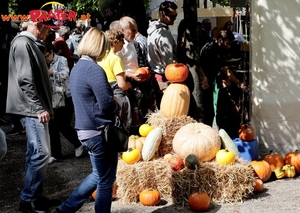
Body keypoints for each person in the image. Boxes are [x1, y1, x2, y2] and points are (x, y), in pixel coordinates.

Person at [53, 27, 121, 213]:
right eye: (105, 47)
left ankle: (66, 209)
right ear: (99, 46)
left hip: (85, 130)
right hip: (99, 132)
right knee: (106, 180)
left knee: (98, 174)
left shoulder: (77, 68)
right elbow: (107, 104)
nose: (106, 51)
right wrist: (118, 105)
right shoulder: (93, 69)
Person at [6, 21, 55, 213]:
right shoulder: (23, 43)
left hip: (32, 108)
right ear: (38, 25)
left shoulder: (28, 43)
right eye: (47, 28)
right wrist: (38, 107)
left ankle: (35, 198)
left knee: (34, 154)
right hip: (31, 109)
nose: (49, 31)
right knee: (41, 153)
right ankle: (27, 200)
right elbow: (25, 80)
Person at [43, 42, 84, 164]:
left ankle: (77, 143)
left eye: (47, 56)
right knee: (52, 126)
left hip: (65, 96)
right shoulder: (42, 62)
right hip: (51, 98)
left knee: (62, 124)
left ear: (51, 52)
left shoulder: (61, 60)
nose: (46, 59)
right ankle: (56, 154)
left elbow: (65, 74)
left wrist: (52, 73)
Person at [200, 30, 246, 127]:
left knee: (216, 111)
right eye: (227, 43)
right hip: (204, 82)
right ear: (220, 40)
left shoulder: (221, 50)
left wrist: (238, 83)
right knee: (208, 112)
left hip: (212, 82)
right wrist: (204, 77)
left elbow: (225, 69)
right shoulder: (209, 49)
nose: (229, 46)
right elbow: (198, 65)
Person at [98, 29, 132, 131]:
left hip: (105, 96)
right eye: (122, 40)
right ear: (115, 42)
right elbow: (121, 84)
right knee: (122, 127)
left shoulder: (100, 57)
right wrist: (129, 85)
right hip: (117, 97)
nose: (124, 43)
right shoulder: (115, 59)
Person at [147, 1, 178, 106]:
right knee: (169, 108)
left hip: (156, 75)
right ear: (163, 15)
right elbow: (169, 62)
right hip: (165, 77)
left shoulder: (152, 30)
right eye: (172, 16)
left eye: (175, 15)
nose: (175, 18)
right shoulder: (164, 34)